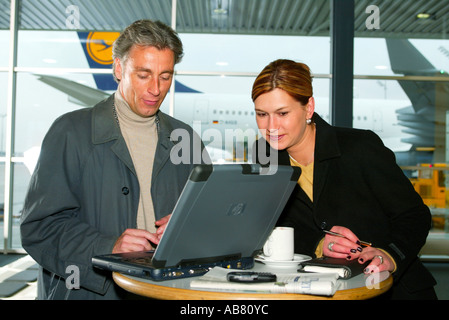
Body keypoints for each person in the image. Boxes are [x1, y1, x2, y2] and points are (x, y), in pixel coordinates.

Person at [20, 20, 209, 300]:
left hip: (166, 291)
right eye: (144, 74)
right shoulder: (71, 132)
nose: (156, 89)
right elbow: (40, 228)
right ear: (119, 69)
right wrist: (109, 246)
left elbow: (209, 218)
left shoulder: (186, 138)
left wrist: (190, 225)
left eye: (165, 76)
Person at [251, 59, 437, 299]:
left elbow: (414, 215)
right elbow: (277, 226)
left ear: (308, 108)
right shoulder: (263, 156)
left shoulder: (359, 147)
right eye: (261, 114)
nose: (271, 126)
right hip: (325, 291)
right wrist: (320, 244)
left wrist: (389, 255)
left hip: (395, 291)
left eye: (282, 113)